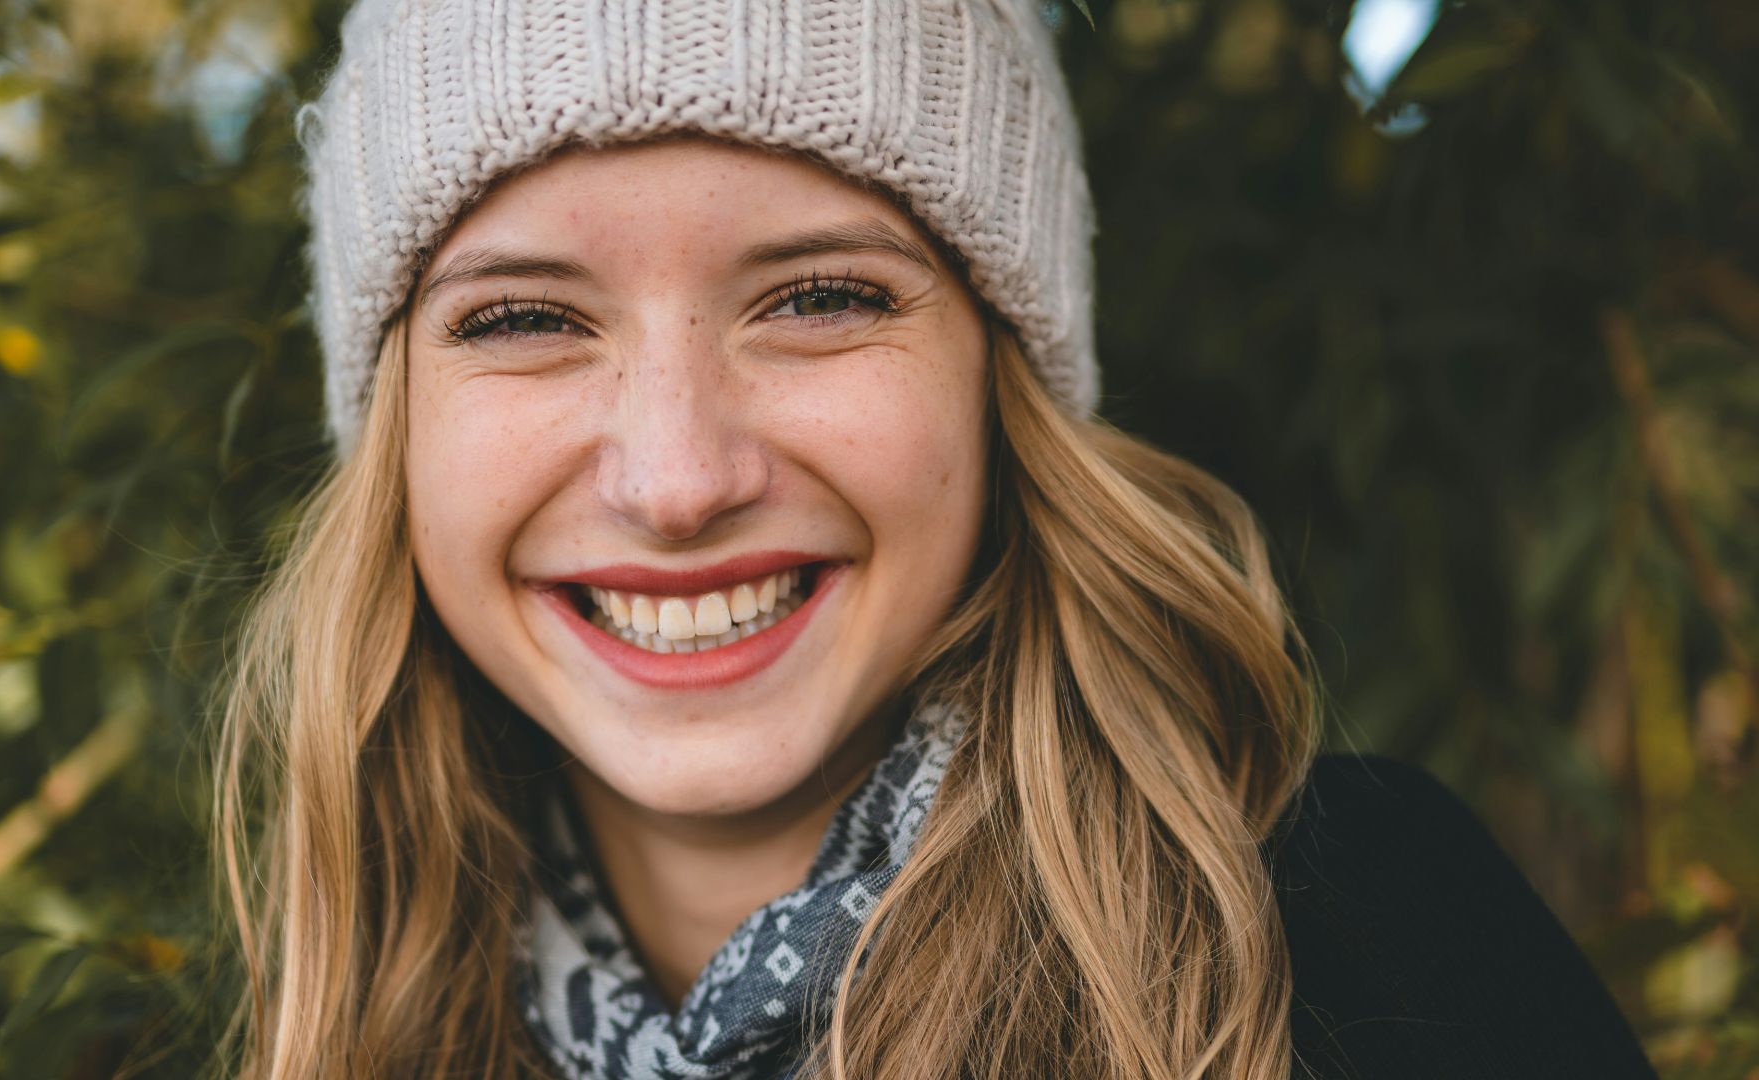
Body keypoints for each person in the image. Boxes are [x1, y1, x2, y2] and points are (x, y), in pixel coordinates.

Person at [212, 0, 1657, 1076]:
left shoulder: (1376, 949)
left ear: (997, 377)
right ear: (398, 430)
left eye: (820, 298)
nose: (676, 480)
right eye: (526, 318)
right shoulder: (331, 1027)